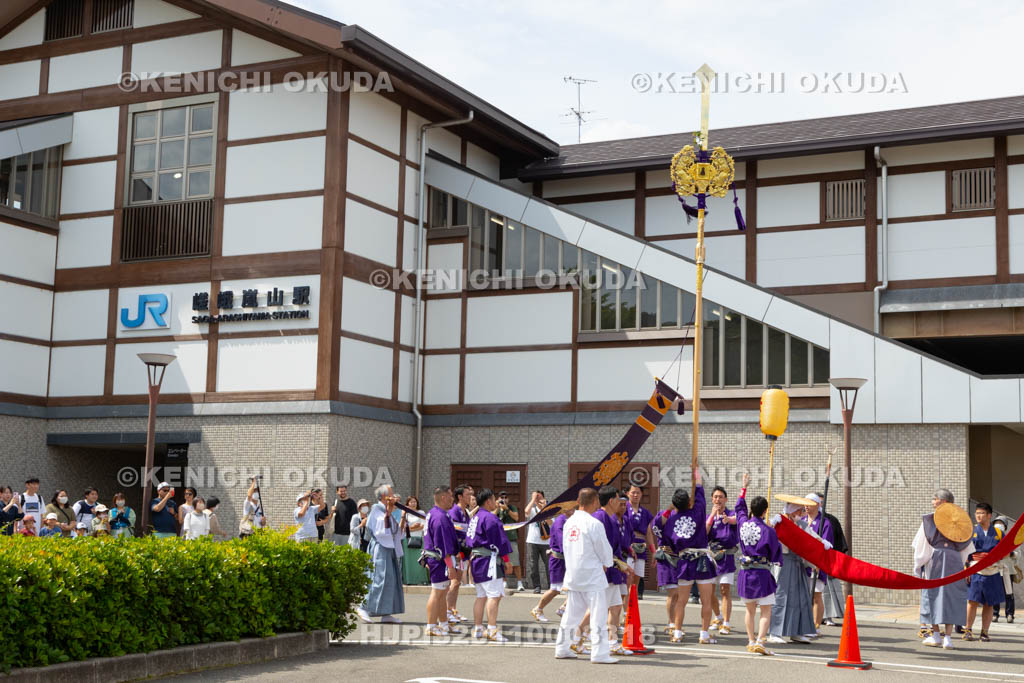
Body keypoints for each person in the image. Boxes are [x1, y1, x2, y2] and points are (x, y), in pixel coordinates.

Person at [554, 488, 618, 664]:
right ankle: (599, 654)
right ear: (595, 501)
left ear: (578, 501)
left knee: (571, 615)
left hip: (574, 574)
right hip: (591, 575)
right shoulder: (594, 523)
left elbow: (565, 547)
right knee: (598, 615)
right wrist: (608, 563)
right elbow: (604, 550)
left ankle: (562, 648)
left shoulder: (569, 522)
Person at [915, 488, 974, 650]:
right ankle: (947, 637)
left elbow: (922, 546)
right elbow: (967, 548)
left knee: (931, 594)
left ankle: (936, 635)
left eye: (935, 499)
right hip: (955, 559)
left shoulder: (930, 519)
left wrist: (918, 565)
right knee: (951, 596)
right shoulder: (961, 520)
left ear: (944, 502)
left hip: (935, 557)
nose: (933, 502)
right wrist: (962, 563)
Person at [666, 469, 717, 645]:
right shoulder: (698, 511)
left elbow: (669, 543)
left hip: (684, 561)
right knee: (706, 600)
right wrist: (696, 472)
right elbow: (700, 489)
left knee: (681, 601)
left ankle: (677, 632)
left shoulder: (671, 520)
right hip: (702, 560)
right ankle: (704, 634)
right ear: (689, 502)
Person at [736, 473, 783, 656]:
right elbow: (775, 552)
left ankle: (750, 640)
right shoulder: (768, 530)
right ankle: (760, 641)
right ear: (764, 511)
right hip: (762, 574)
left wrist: (744, 488)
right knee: (765, 610)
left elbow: (739, 509)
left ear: (752, 510)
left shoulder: (742, 524)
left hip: (746, 573)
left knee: (749, 610)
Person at [767, 498, 824, 644]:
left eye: (801, 510)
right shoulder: (779, 522)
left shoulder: (801, 524)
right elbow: (769, 535)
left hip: (798, 563)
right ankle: (775, 632)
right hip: (783, 563)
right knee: (782, 597)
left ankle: (797, 632)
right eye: (798, 510)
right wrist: (772, 525)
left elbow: (813, 537)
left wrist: (823, 543)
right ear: (791, 510)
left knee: (800, 598)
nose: (800, 513)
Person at [591, 486, 634, 655]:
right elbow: (600, 548)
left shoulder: (611, 518)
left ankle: (613, 642)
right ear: (611, 501)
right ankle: (577, 637)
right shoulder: (600, 518)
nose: (622, 503)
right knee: (596, 609)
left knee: (616, 607)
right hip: (604, 570)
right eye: (618, 499)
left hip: (613, 568)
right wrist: (616, 563)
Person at [466, 488, 513, 642]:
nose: (496, 502)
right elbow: (500, 541)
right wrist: (507, 560)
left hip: (476, 559)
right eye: (493, 499)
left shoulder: (474, 517)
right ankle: (492, 629)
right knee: (494, 595)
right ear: (488, 501)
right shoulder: (490, 518)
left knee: (481, 596)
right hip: (488, 561)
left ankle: (478, 628)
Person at [355, 485, 406, 624]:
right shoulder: (376, 509)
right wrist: (389, 511)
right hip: (380, 548)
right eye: (391, 494)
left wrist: (400, 516)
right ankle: (363, 607)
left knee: (390, 579)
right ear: (384, 497)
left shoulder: (386, 510)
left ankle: (386, 612)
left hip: (389, 548)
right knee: (379, 579)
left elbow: (395, 531)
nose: (393, 496)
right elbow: (380, 530)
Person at [423, 486, 462, 636]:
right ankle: (431, 626)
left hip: (436, 558)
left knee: (443, 592)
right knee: (437, 592)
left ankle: (444, 624)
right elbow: (443, 544)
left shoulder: (434, 513)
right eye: (451, 496)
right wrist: (450, 566)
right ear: (444, 497)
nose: (453, 499)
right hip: (439, 559)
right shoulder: (440, 517)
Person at [965, 502, 1004, 642]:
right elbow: (964, 552)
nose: (978, 516)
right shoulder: (970, 531)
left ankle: (984, 632)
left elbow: (1004, 551)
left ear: (989, 515)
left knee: (989, 603)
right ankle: (968, 630)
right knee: (972, 601)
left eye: (982, 513)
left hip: (993, 570)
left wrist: (993, 557)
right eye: (977, 513)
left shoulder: (999, 533)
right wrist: (966, 569)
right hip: (975, 570)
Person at [804, 492, 843, 631]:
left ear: (817, 505)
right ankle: (806, 625)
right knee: (805, 596)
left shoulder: (824, 522)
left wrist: (818, 562)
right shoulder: (802, 520)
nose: (806, 506)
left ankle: (816, 626)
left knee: (816, 595)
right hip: (803, 563)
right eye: (805, 503)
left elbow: (826, 544)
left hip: (817, 563)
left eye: (809, 504)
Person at [532, 505, 574, 623]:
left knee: (573, 587)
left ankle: (563, 608)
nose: (573, 510)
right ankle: (538, 609)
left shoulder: (569, 520)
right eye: (571, 507)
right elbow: (562, 542)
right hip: (558, 560)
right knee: (555, 589)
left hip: (565, 559)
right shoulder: (560, 521)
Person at [706, 484, 738, 636]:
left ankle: (726, 622)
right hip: (712, 556)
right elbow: (704, 533)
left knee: (725, 589)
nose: (718, 499)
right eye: (715, 497)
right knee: (710, 591)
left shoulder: (731, 514)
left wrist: (729, 520)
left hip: (726, 556)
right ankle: (717, 617)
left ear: (726, 499)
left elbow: (738, 519)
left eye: (721, 497)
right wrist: (712, 516)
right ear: (712, 499)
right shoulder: (709, 516)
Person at [652, 499, 682, 637]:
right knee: (673, 592)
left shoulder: (685, 516)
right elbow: (657, 526)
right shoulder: (665, 514)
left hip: (681, 558)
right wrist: (669, 509)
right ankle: (671, 623)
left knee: (680, 594)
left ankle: (676, 623)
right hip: (667, 557)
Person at [447, 484, 474, 626]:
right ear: (460, 497)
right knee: (454, 582)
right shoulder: (454, 511)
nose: (470, 497)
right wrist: (455, 551)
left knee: (457, 582)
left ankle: (453, 609)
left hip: (464, 551)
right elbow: (451, 532)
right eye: (467, 494)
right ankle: (447, 611)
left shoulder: (466, 512)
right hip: (456, 551)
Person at [625, 485, 654, 600]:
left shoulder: (645, 512)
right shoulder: (623, 508)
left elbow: (649, 533)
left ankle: (632, 606)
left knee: (636, 580)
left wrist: (653, 551)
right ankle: (625, 607)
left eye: (638, 493)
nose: (635, 495)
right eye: (633, 492)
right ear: (628, 493)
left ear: (641, 494)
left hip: (641, 547)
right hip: (627, 546)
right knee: (628, 577)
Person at [496, 491, 525, 592]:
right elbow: (491, 516)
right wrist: (497, 508)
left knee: (515, 562)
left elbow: (516, 517)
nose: (504, 499)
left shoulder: (512, 507)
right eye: (501, 497)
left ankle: (519, 583)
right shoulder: (496, 508)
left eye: (505, 497)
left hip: (511, 538)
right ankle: (504, 582)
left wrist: (506, 509)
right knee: (501, 562)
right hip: (499, 539)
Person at [525, 490, 550, 594]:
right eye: (536, 497)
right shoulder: (532, 510)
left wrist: (544, 508)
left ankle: (551, 586)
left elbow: (551, 523)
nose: (537, 499)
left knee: (549, 565)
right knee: (533, 565)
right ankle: (537, 586)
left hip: (546, 542)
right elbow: (526, 512)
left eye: (539, 497)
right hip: (532, 541)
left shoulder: (549, 509)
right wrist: (533, 500)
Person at [401, 495, 429, 585]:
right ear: (407, 503)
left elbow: (423, 526)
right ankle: (409, 580)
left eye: (415, 502)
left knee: (420, 560)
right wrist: (413, 527)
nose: (413, 503)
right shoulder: (405, 513)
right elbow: (403, 528)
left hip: (419, 538)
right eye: (411, 502)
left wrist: (411, 528)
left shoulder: (421, 512)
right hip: (407, 539)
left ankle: (421, 580)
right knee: (408, 561)